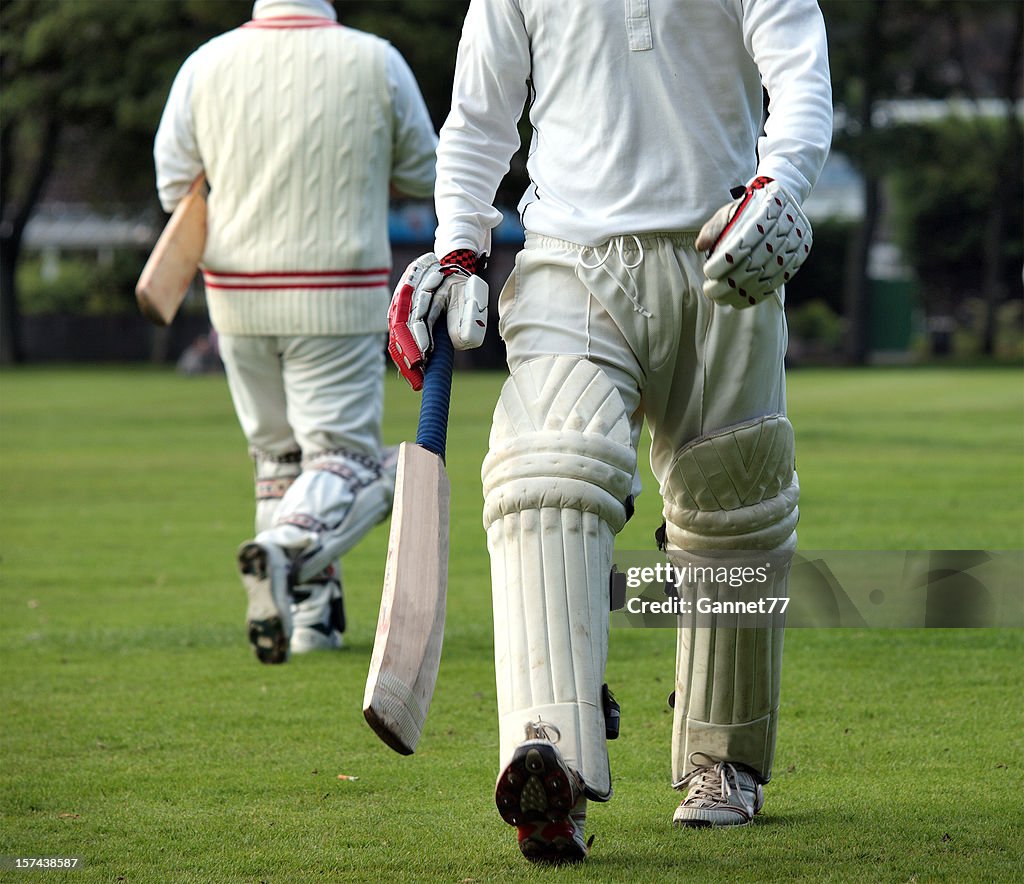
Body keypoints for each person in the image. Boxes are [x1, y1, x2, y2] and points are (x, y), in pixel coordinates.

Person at [388, 0, 832, 865]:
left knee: (732, 511)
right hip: (570, 260)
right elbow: (478, 119)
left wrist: (780, 184)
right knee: (545, 476)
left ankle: (724, 760)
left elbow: (800, 77)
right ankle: (547, 748)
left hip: (724, 244)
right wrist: (457, 248)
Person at [154, 0, 437, 663]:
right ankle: (286, 551)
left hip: (237, 301)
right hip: (336, 294)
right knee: (348, 460)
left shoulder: (206, 62)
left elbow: (174, 185)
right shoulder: (376, 59)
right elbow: (426, 172)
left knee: (279, 459)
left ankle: (312, 623)